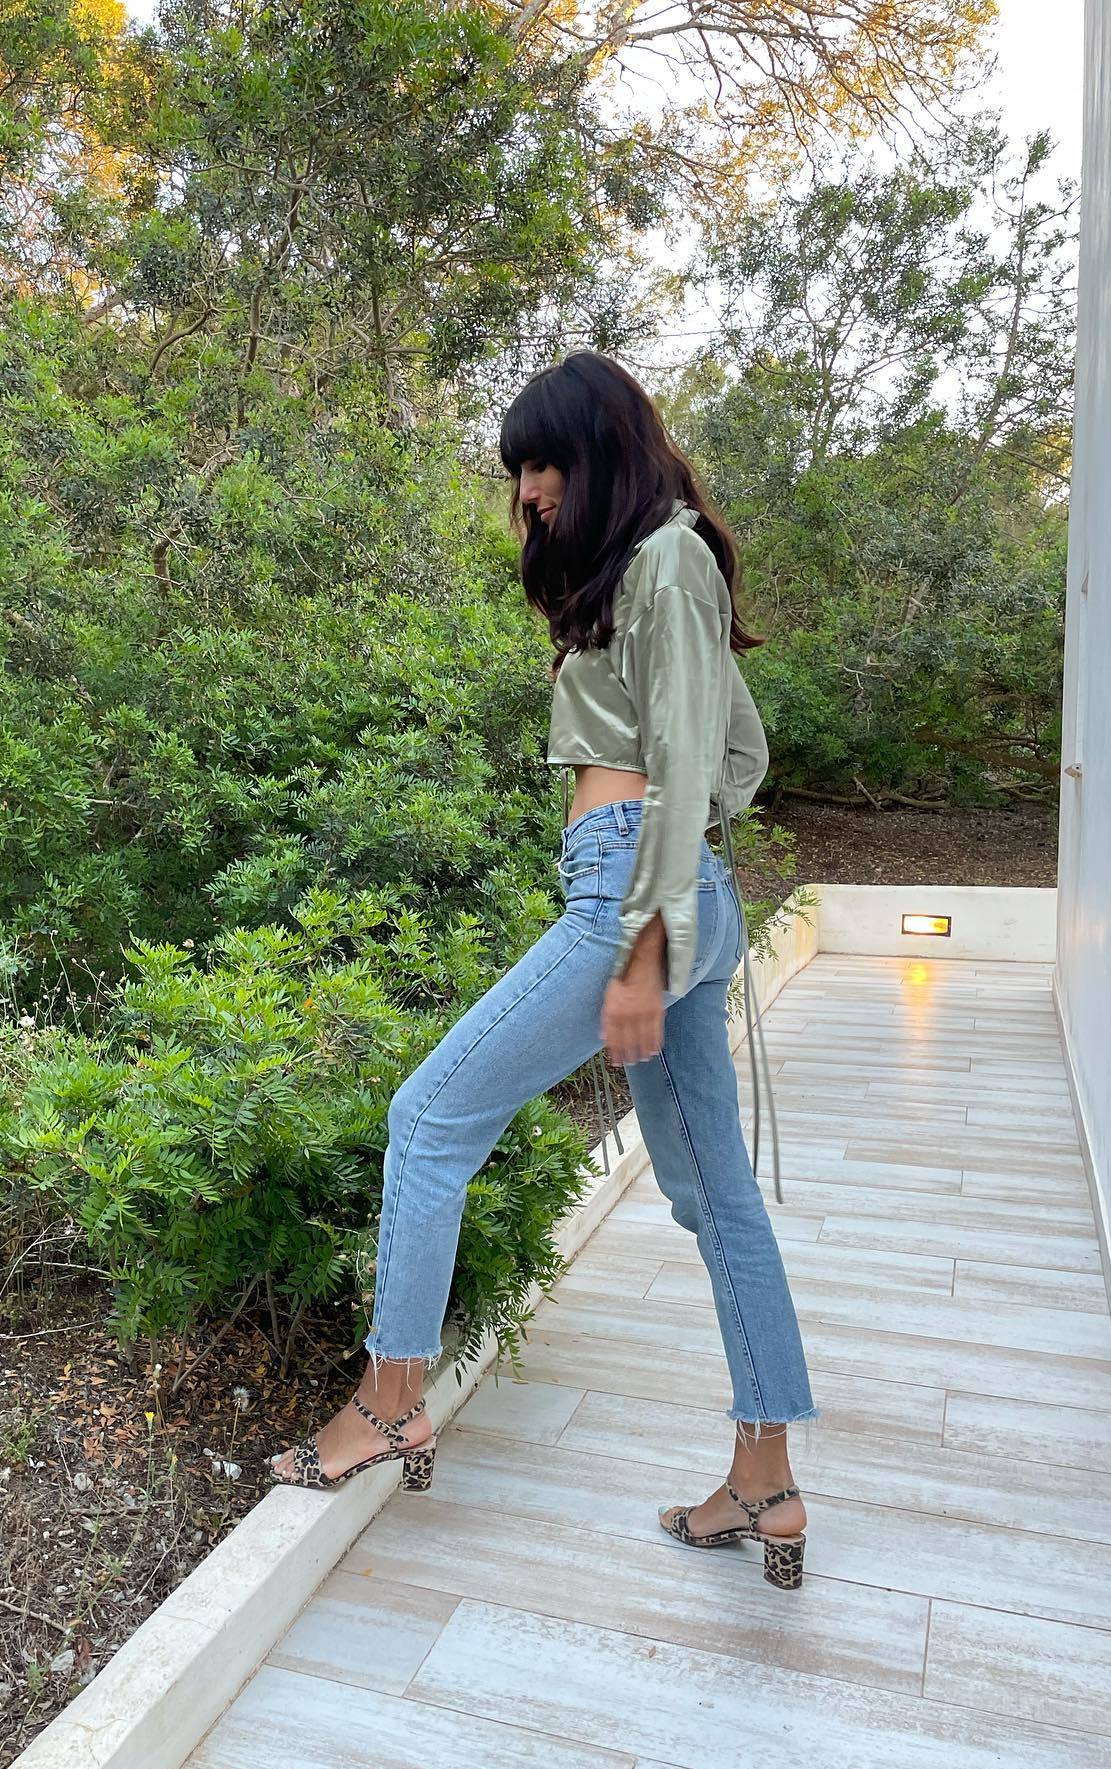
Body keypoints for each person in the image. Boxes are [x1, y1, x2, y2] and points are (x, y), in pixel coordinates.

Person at [268, 350, 817, 1590]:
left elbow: (697, 760)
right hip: (661, 887)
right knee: (715, 1198)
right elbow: (737, 751)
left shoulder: (669, 555)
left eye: (542, 464)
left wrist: (647, 936)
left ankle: (390, 1402)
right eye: (519, 473)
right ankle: (766, 1478)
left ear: (598, 448)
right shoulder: (655, 569)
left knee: (427, 1121)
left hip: (634, 895)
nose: (528, 492)